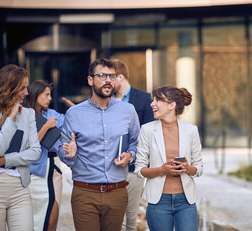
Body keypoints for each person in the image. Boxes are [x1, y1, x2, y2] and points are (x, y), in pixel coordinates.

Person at [58, 58, 140, 231]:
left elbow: (136, 142)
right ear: (90, 80)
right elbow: (61, 148)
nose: (108, 80)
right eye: (102, 75)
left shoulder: (128, 111)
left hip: (117, 192)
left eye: (112, 76)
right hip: (85, 193)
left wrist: (130, 155)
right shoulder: (74, 114)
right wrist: (69, 155)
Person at [135, 85, 203, 231]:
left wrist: (187, 167)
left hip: (186, 201)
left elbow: (199, 168)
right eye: (154, 100)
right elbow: (139, 169)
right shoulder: (147, 130)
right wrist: (162, 170)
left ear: (172, 105)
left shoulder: (191, 130)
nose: (152, 104)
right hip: (159, 202)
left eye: (158, 100)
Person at [0, 64, 42, 231]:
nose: (26, 92)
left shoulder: (29, 114)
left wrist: (4, 160)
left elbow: (35, 151)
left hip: (20, 187)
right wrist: (11, 117)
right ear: (8, 88)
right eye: (22, 88)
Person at [112, 59, 154, 231]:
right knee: (115, 220)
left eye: (111, 77)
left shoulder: (143, 98)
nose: (107, 81)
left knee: (130, 219)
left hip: (134, 169)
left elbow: (148, 133)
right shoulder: (106, 100)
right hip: (110, 168)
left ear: (120, 77)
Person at [24, 80, 70, 231]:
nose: (50, 98)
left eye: (50, 94)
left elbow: (72, 124)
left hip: (52, 169)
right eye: (46, 95)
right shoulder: (22, 115)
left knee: (51, 222)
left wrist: (78, 110)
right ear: (35, 95)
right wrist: (46, 126)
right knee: (31, 221)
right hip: (30, 173)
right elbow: (28, 147)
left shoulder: (52, 114)